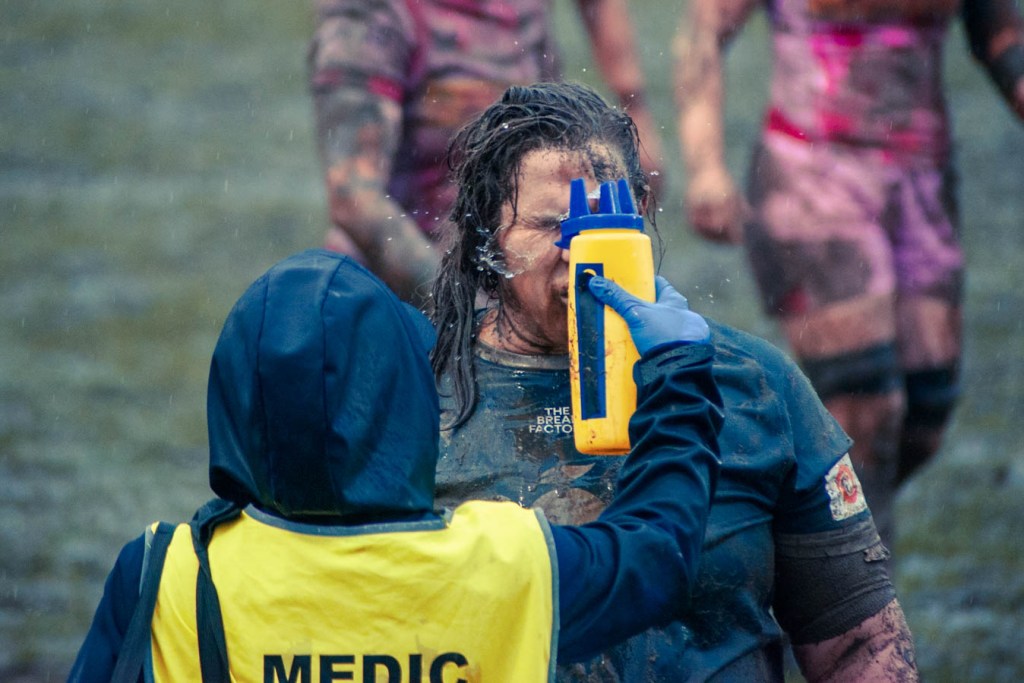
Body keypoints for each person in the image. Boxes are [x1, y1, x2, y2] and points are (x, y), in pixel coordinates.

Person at [430, 81, 918, 681]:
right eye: (551, 225)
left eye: (606, 222)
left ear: (642, 214)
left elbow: (859, 645)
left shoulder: (754, 384)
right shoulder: (420, 400)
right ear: (489, 237)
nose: (581, 251)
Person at [67, 248, 725, 681]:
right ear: (409, 401)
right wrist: (676, 376)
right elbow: (659, 552)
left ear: (234, 402)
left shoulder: (165, 573)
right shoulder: (504, 562)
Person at [674, 0, 1024, 542]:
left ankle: (787, 536)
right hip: (811, 175)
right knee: (865, 411)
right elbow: (703, 32)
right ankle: (856, 582)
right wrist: (706, 168)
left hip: (922, 183)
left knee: (925, 415)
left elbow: (999, 31)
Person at [308, 0, 666, 308]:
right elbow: (354, 199)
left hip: (514, 275)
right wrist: (468, 311)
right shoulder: (370, 18)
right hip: (398, 294)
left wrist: (632, 105)